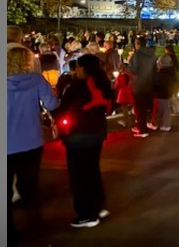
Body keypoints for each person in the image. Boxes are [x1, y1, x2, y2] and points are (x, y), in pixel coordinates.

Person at [54, 53, 114, 228]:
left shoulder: (76, 87)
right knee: (92, 171)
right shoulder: (103, 83)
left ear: (83, 68)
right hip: (97, 133)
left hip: (78, 135)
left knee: (79, 176)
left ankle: (87, 214)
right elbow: (109, 107)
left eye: (78, 66)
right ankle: (98, 206)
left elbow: (63, 109)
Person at [8, 46, 59, 244]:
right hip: (31, 141)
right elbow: (52, 104)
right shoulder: (37, 81)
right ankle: (36, 227)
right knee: (30, 186)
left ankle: (8, 232)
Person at [128, 36, 157, 138]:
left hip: (139, 85)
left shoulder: (137, 55)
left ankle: (142, 130)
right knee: (148, 107)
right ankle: (149, 124)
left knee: (140, 109)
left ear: (138, 44)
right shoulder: (152, 54)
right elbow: (155, 70)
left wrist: (129, 62)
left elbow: (134, 70)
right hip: (149, 84)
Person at [152, 44, 178, 132]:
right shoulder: (170, 71)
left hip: (162, 94)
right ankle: (162, 124)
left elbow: (158, 84)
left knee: (163, 110)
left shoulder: (162, 73)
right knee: (164, 109)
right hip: (167, 93)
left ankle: (165, 125)